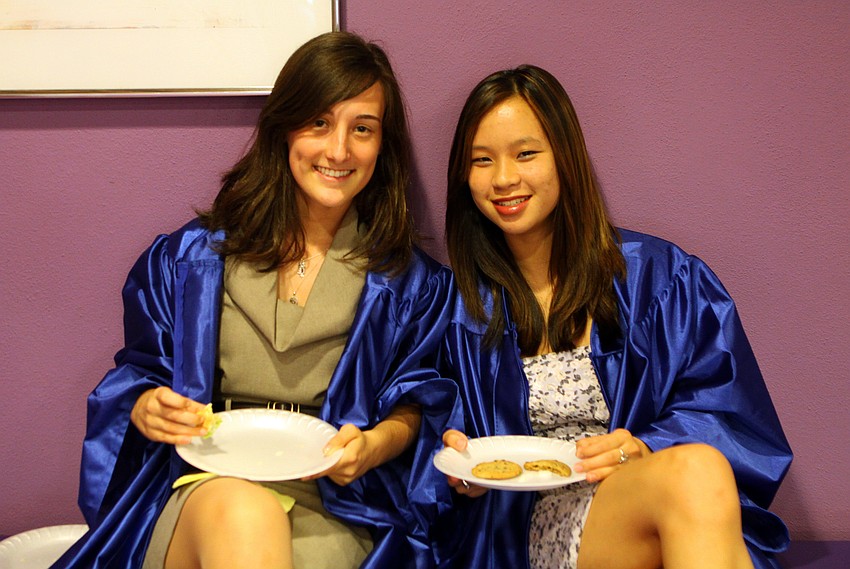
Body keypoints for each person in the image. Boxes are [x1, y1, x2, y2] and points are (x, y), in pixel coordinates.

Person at [54, 31, 458, 569]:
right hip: (206, 482)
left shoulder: (409, 285)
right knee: (247, 514)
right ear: (284, 127)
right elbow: (140, 375)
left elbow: (419, 404)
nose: (338, 150)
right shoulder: (193, 259)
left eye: (362, 129)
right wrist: (148, 407)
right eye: (319, 122)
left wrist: (374, 446)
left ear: (382, 146)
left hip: (336, 504)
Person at [435, 65, 792, 569]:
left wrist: (645, 447)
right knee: (695, 474)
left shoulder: (660, 281)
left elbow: (729, 414)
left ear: (566, 157)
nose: (504, 178)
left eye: (526, 153)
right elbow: (424, 434)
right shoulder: (452, 309)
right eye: (481, 160)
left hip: (645, 508)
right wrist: (454, 468)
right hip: (520, 533)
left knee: (696, 469)